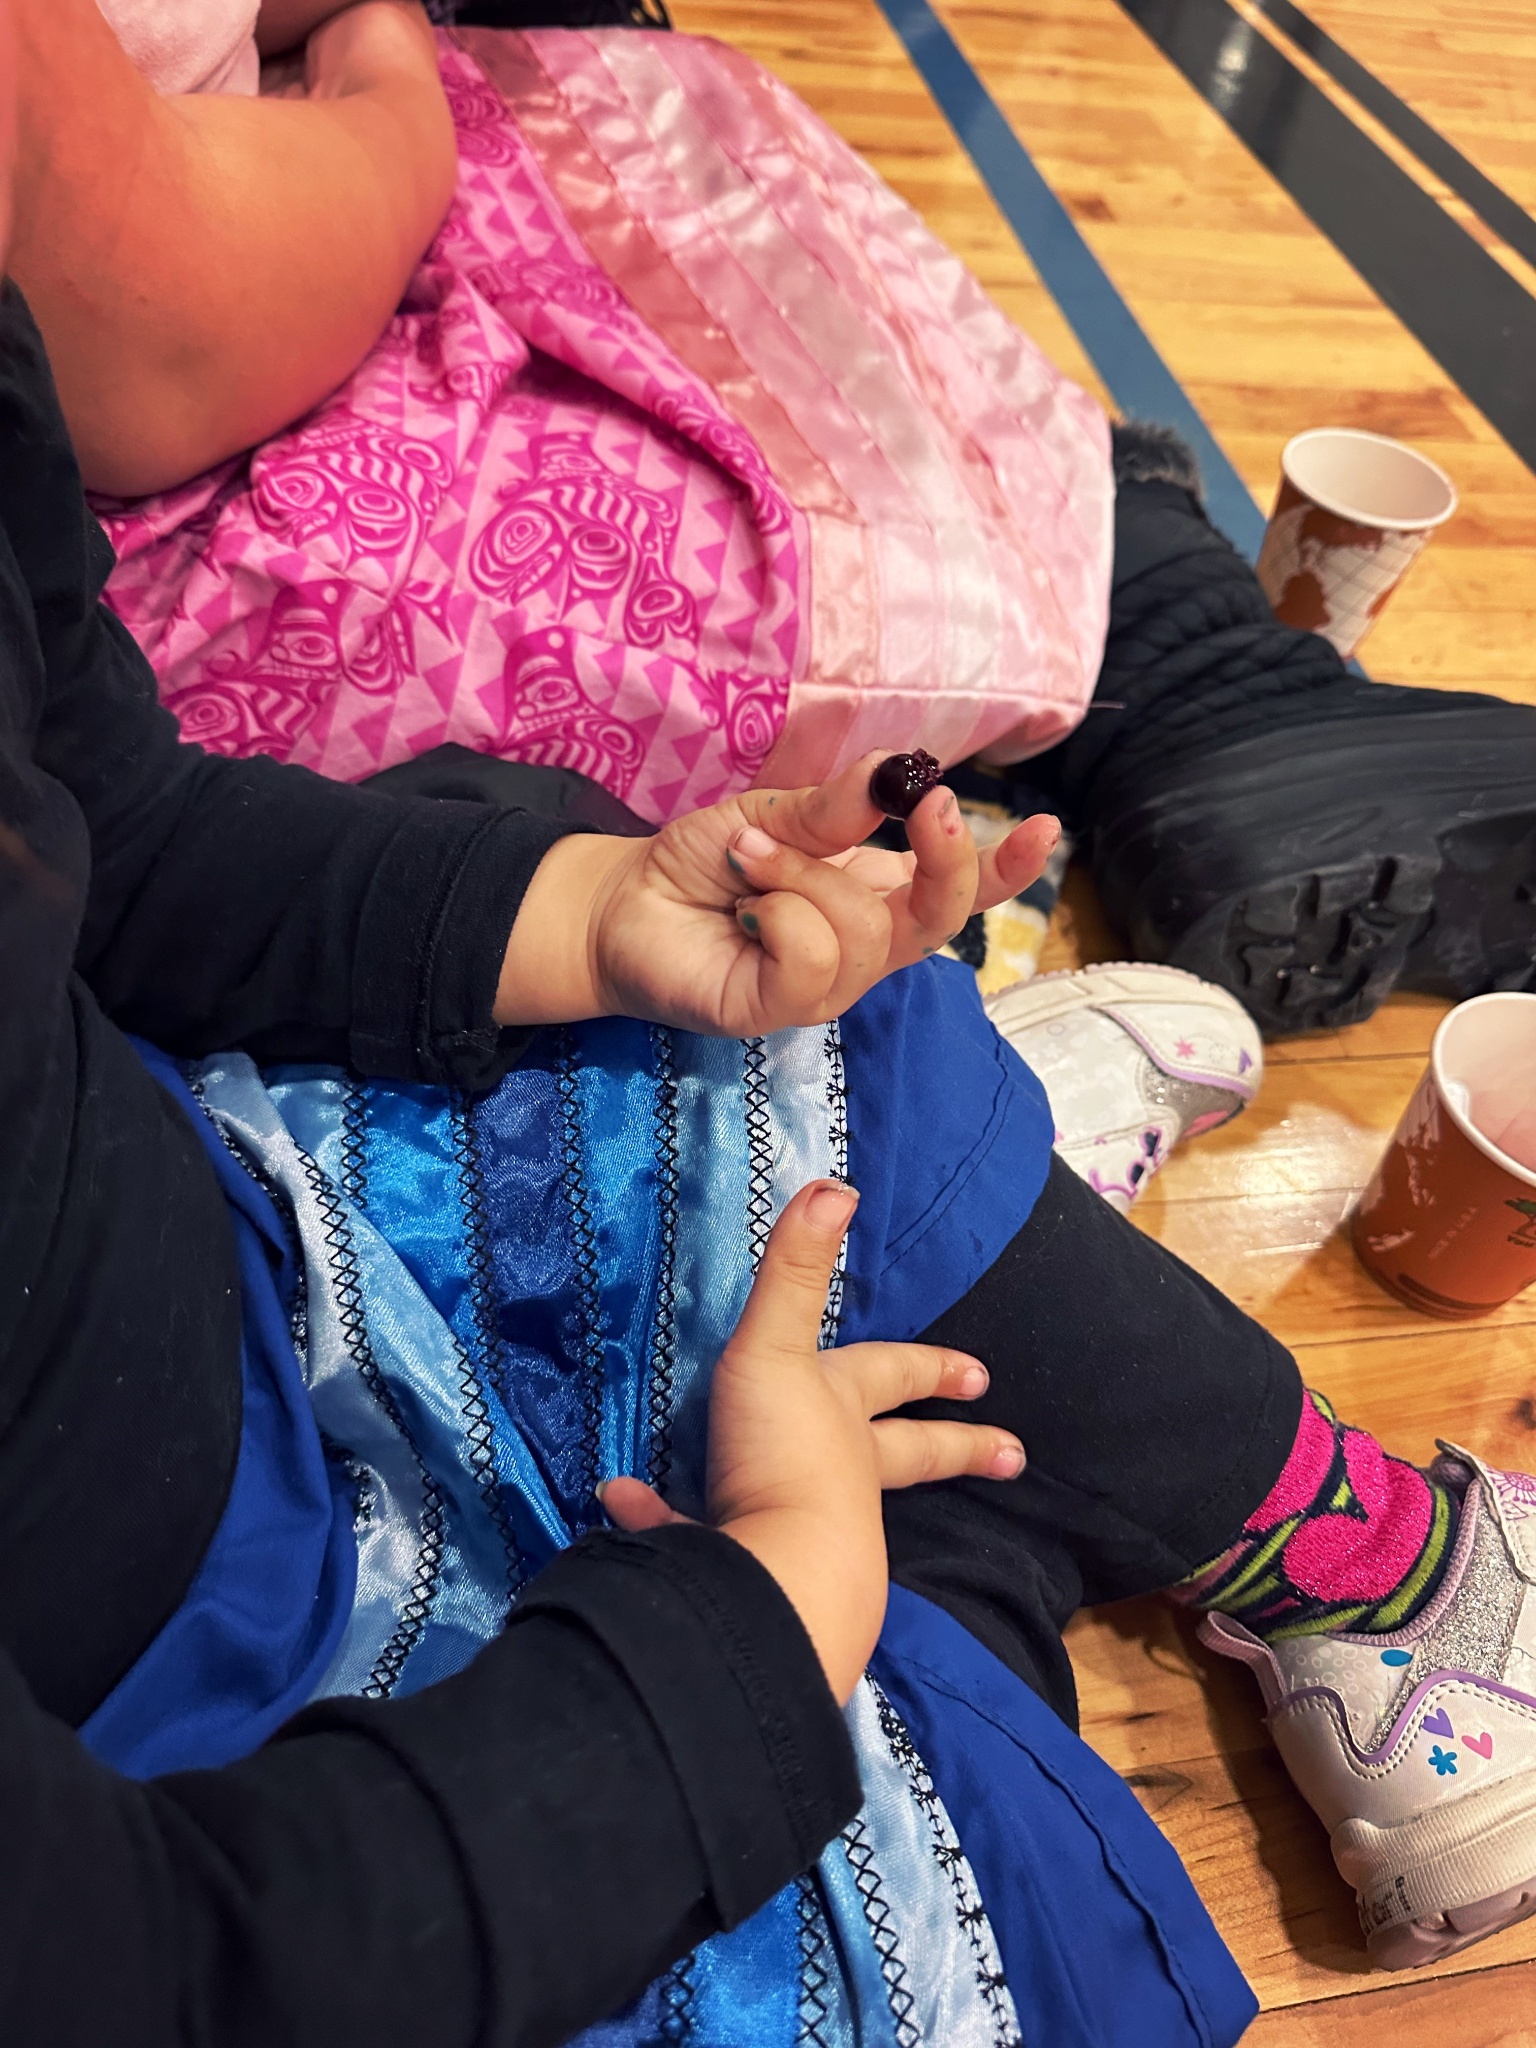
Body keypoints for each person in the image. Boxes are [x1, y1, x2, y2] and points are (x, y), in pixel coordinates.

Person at [8, 218, 1536, 2045]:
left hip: (233, 1263)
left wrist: (589, 914)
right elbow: (184, 1976)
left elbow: (104, 816)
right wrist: (757, 1620)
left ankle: (1057, 1364)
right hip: (291, 1786)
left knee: (710, 1005)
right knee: (991, 1898)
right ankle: (1363, 1582)